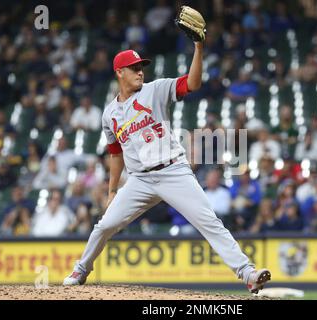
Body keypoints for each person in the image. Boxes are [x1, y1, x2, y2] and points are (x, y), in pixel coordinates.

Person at [63, 13, 270, 294]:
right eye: (134, 67)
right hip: (139, 181)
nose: (140, 71)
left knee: (209, 222)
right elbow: (116, 153)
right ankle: (81, 269)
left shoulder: (156, 90)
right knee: (104, 225)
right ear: (119, 73)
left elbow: (193, 84)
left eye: (141, 67)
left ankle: (248, 273)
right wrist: (113, 190)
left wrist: (198, 47)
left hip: (173, 171)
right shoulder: (109, 113)